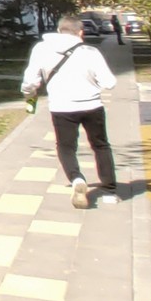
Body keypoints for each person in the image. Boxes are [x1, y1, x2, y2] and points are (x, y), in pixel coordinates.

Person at [23, 14, 120, 208]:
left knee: (66, 147)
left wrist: (29, 96)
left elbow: (30, 81)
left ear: (59, 30)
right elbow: (109, 82)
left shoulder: (41, 49)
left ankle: (76, 179)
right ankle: (109, 192)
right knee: (100, 146)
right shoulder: (90, 52)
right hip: (92, 106)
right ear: (81, 32)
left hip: (61, 107)